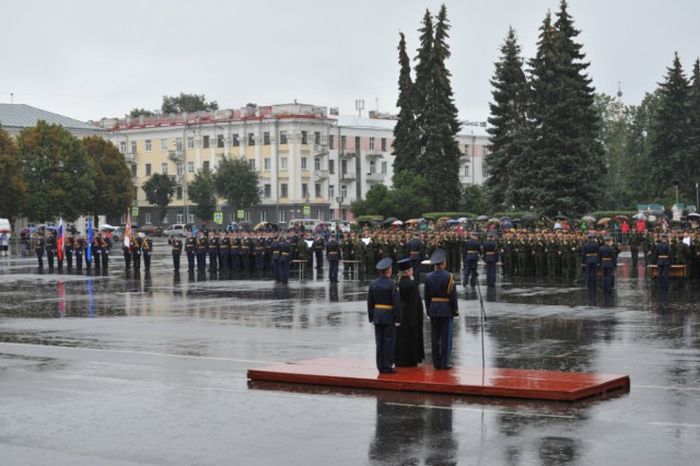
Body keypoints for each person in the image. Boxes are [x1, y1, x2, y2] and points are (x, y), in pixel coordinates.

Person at [424, 248, 458, 370]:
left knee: (434, 337)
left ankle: (436, 362)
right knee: (446, 338)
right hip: (446, 309)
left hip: (433, 308)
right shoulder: (449, 277)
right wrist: (455, 310)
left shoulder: (428, 277)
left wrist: (428, 309)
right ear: (443, 263)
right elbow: (453, 296)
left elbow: (426, 296)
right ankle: (445, 362)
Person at [367, 257, 401, 374]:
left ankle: (380, 365)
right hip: (389, 316)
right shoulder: (392, 284)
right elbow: (396, 303)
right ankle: (387, 365)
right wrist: (398, 318)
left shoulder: (373, 284)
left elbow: (370, 302)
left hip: (378, 316)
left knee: (379, 342)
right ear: (388, 270)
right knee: (388, 342)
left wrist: (371, 317)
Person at [394, 258, 424, 367]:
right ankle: (411, 359)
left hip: (399, 314)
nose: (412, 272)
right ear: (407, 272)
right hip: (410, 314)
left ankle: (399, 359)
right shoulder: (411, 284)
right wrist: (416, 319)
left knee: (400, 338)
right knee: (410, 338)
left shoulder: (397, 282)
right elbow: (415, 302)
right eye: (411, 270)